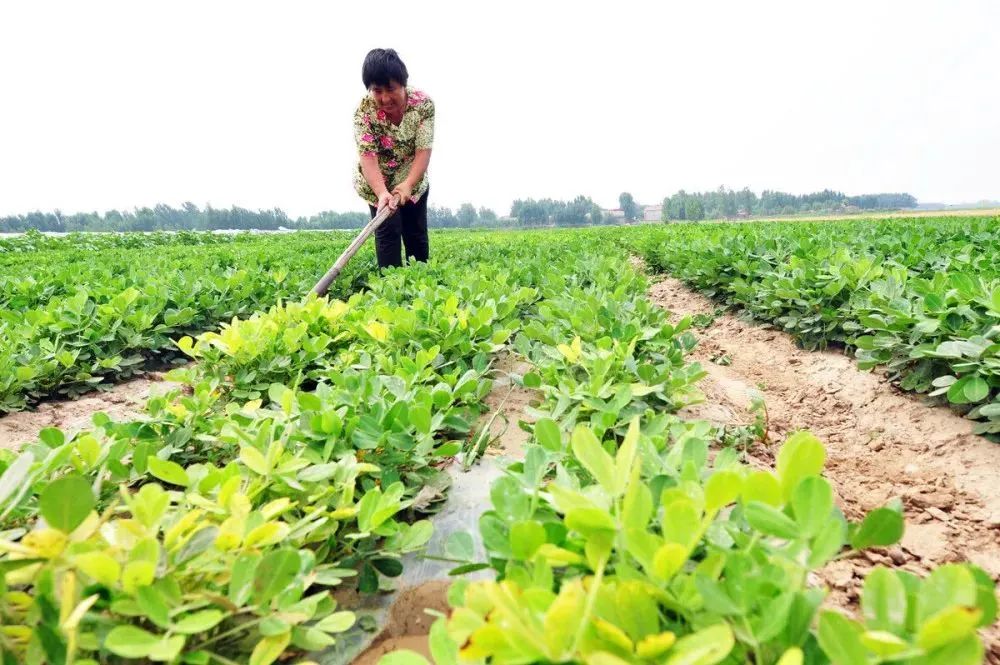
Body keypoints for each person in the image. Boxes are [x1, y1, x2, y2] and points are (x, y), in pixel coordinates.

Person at [353, 48, 435, 269]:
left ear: (403, 84)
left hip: (412, 177)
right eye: (377, 91)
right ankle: (391, 287)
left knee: (415, 233)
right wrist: (382, 193)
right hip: (378, 182)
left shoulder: (423, 105)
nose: (385, 98)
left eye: (391, 89)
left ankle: (420, 284)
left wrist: (408, 185)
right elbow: (367, 156)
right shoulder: (363, 112)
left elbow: (423, 151)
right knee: (387, 233)